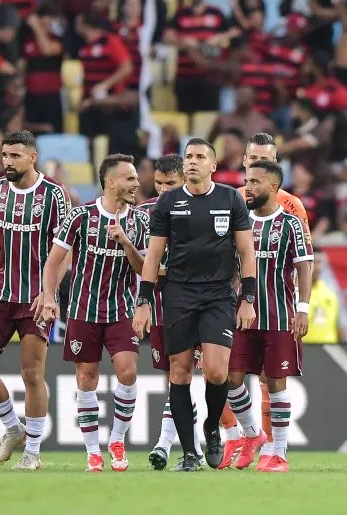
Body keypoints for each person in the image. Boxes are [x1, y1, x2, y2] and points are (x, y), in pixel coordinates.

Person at [132, 138, 257, 472]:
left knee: (217, 371)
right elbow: (154, 254)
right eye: (188, 156)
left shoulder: (231, 198)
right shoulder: (168, 202)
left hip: (218, 293)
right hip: (179, 294)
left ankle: (212, 427)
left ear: (213, 166)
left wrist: (248, 298)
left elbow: (246, 252)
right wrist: (143, 301)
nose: (192, 161)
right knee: (180, 372)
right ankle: (190, 454)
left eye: (200, 157)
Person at [0, 130, 72, 471]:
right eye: (5, 155)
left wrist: (49, 292)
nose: (7, 162)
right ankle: (13, 429)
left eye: (15, 156)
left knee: (31, 374)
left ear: (32, 158)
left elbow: (65, 252)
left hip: (37, 299)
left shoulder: (54, 195)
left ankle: (33, 452)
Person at [36, 154, 149, 473]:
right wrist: (48, 297)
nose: (136, 183)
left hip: (121, 308)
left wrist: (126, 243)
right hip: (84, 309)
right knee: (87, 378)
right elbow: (53, 262)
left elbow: (145, 268)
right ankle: (92, 453)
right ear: (110, 182)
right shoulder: (80, 216)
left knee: (127, 372)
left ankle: (116, 440)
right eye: (129, 178)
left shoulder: (139, 221)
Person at [219, 132, 313, 469]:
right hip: (240, 313)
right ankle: (252, 434)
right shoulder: (235, 217)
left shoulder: (290, 219)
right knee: (229, 377)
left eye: (256, 181)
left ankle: (278, 452)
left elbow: (305, 264)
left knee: (274, 381)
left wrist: (302, 308)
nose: (248, 186)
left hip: (278, 313)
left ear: (272, 186)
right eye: (247, 179)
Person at [138, 155, 205, 470]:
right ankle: (195, 448)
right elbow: (141, 264)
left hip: (195, 303)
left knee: (199, 377)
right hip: (161, 309)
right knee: (175, 379)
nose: (164, 191)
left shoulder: (198, 210)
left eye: (171, 184)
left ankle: (166, 444)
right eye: (159, 183)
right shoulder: (142, 214)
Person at [303, 250, 340, 344]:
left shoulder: (329, 292)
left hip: (329, 348)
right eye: (313, 262)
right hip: (304, 348)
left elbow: (336, 324)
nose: (318, 267)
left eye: (320, 262)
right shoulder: (293, 293)